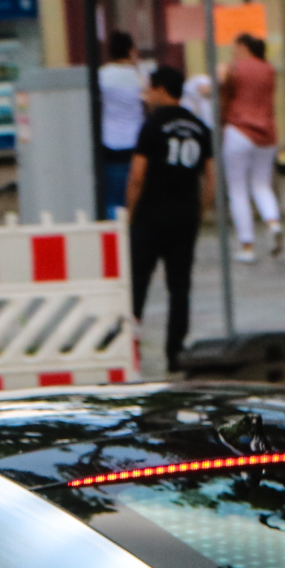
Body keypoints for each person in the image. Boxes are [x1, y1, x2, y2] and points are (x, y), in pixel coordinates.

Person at [126, 64, 213, 375]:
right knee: (179, 287)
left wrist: (130, 214)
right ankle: (175, 352)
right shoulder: (200, 127)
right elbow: (211, 179)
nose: (147, 95)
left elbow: (137, 176)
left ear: (161, 89)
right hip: (184, 218)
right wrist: (199, 211)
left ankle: (130, 349)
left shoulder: (151, 126)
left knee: (137, 285)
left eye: (150, 89)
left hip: (150, 217)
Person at [219, 32, 283, 262]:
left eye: (235, 48)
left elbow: (223, 93)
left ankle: (247, 246)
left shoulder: (233, 68)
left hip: (238, 131)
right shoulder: (269, 69)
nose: (233, 53)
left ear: (243, 47)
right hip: (267, 134)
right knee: (261, 184)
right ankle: (273, 222)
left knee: (237, 190)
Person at [95, 31, 146, 222]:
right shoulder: (140, 77)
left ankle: (115, 238)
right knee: (135, 196)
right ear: (131, 51)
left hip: (109, 142)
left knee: (112, 200)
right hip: (136, 143)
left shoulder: (101, 76)